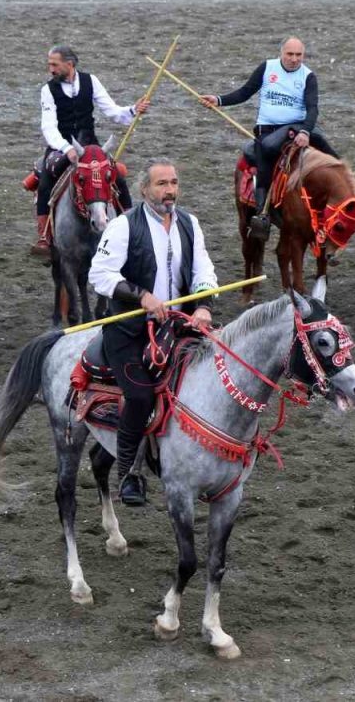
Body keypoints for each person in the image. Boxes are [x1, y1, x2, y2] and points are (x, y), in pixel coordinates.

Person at [89, 158, 218, 506]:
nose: (170, 190)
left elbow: (203, 270)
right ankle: (130, 473)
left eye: (174, 182)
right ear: (144, 189)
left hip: (180, 328)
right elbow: (99, 274)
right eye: (162, 184)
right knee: (142, 395)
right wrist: (142, 296)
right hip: (130, 331)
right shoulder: (122, 226)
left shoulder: (190, 223)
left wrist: (204, 306)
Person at [201, 36, 341, 240]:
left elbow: (312, 109)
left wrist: (305, 132)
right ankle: (262, 214)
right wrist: (219, 100)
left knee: (332, 156)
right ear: (281, 53)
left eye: (298, 55)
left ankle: (347, 197)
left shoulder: (308, 76)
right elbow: (244, 93)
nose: (294, 59)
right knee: (265, 149)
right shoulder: (267, 68)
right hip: (268, 130)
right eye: (290, 54)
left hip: (298, 127)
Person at [29, 44, 150, 257]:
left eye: (54, 65)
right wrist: (67, 149)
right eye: (49, 65)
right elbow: (48, 126)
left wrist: (132, 110)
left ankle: (129, 225)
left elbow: (112, 111)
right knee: (48, 177)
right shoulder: (47, 90)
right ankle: (45, 236)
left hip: (90, 145)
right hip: (60, 147)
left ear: (70, 64)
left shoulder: (90, 81)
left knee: (116, 176)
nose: (51, 70)